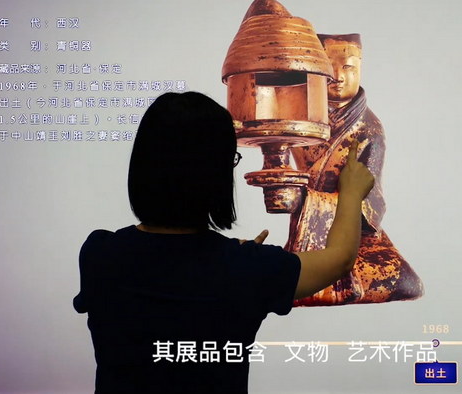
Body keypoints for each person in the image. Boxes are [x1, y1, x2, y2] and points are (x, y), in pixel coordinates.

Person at [73, 91, 374, 393]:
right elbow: (340, 258)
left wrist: (239, 262)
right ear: (214, 176)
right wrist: (350, 193)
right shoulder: (249, 268)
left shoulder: (99, 253)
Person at [286, 34, 423, 306]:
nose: (338, 76)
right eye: (329, 66)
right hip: (304, 226)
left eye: (348, 67)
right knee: (290, 271)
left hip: (351, 231)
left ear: (360, 68)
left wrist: (310, 198)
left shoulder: (369, 128)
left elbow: (372, 200)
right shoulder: (301, 117)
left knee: (402, 281)